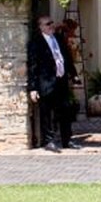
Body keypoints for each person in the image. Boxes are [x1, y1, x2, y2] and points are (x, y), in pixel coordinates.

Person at [26, 13, 78, 152]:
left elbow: (66, 57)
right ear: (40, 27)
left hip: (61, 80)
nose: (51, 26)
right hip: (46, 83)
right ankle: (48, 141)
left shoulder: (58, 38)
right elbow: (32, 66)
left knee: (65, 111)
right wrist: (33, 88)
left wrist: (74, 75)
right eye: (47, 24)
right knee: (47, 113)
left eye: (52, 23)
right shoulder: (36, 43)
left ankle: (67, 140)